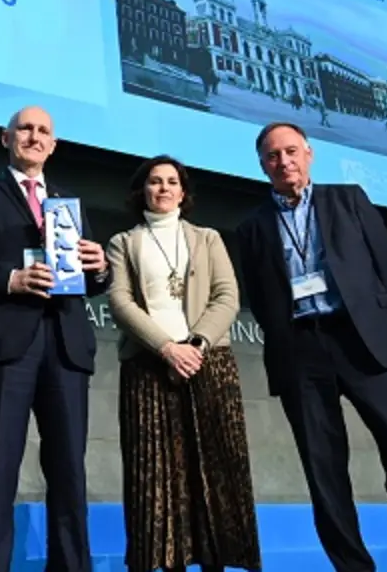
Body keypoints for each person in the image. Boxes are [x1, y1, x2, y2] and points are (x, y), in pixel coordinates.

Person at [234, 122, 387, 572]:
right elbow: (258, 294)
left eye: (291, 151)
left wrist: (372, 316)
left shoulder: (348, 199)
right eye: (273, 156)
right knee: (324, 472)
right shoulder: (252, 227)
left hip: (363, 342)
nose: (284, 162)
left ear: (309, 154)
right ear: (262, 165)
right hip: (300, 350)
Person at [0, 106, 110, 572]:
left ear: (53, 145)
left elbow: (93, 282)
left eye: (43, 131)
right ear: (6, 138)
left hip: (65, 344)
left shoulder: (68, 203)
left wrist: (101, 266)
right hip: (4, 345)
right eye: (25, 128)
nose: (34, 136)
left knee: (69, 472)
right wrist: (11, 279)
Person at [106, 155, 261, 572]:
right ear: (142, 190)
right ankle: (165, 562)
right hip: (148, 367)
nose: (163, 188)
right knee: (156, 475)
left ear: (183, 191)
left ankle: (218, 560)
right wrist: (167, 348)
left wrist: (194, 345)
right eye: (155, 181)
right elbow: (120, 301)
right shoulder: (123, 242)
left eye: (172, 181)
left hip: (209, 362)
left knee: (217, 466)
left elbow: (227, 296)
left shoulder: (207, 238)